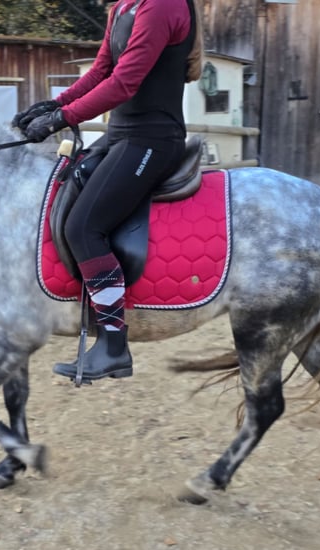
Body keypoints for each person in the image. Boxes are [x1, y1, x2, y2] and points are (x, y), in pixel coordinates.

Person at [13, 0, 202, 381]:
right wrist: (53, 104)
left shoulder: (163, 6)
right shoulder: (123, 6)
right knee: (62, 194)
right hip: (121, 136)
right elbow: (102, 70)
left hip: (153, 139)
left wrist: (61, 119)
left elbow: (124, 82)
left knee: (84, 227)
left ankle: (114, 345)